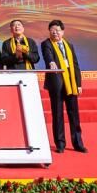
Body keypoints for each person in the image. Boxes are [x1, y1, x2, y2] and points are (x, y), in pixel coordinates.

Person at [41, 19, 86, 153]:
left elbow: (75, 65)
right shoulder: (46, 44)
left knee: (74, 114)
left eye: (57, 30)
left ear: (63, 31)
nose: (55, 33)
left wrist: (78, 84)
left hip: (71, 83)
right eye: (52, 30)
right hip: (57, 83)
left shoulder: (69, 45)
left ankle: (78, 143)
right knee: (57, 113)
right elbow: (48, 55)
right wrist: (51, 62)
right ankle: (60, 143)